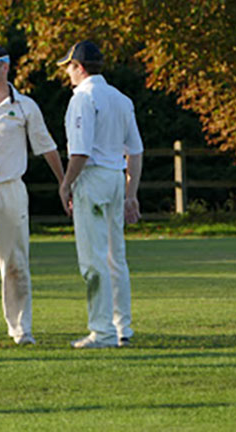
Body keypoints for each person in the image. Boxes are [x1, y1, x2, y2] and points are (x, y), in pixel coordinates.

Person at [0, 45, 65, 345]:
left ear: (5, 67)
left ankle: (21, 329)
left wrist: (63, 182)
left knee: (15, 263)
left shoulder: (25, 106)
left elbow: (45, 145)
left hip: (11, 188)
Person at [58, 40, 143, 349]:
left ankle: (102, 330)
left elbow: (79, 151)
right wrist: (130, 194)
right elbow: (134, 152)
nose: (67, 72)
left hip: (92, 179)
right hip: (115, 178)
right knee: (115, 257)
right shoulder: (121, 98)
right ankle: (123, 327)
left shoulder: (83, 98)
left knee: (93, 259)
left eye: (69, 66)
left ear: (79, 67)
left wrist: (66, 184)